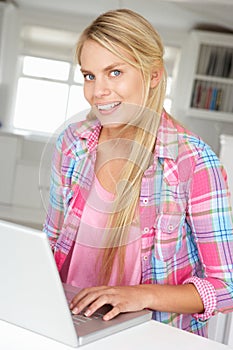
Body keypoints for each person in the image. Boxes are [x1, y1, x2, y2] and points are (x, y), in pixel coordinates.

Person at [43, 8, 233, 338]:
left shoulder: (195, 161)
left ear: (154, 76)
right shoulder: (72, 143)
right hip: (68, 323)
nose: (97, 91)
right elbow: (51, 240)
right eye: (89, 75)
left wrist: (139, 295)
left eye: (114, 72)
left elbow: (227, 287)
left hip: (149, 334)